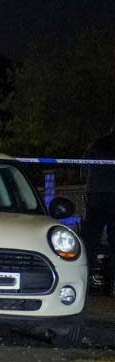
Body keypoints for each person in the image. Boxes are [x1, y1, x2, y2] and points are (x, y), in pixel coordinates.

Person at [81, 123, 115, 295]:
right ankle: (110, 279)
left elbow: (83, 167)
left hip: (97, 196)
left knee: (90, 239)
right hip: (108, 195)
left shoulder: (98, 143)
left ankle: (86, 277)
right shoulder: (99, 144)